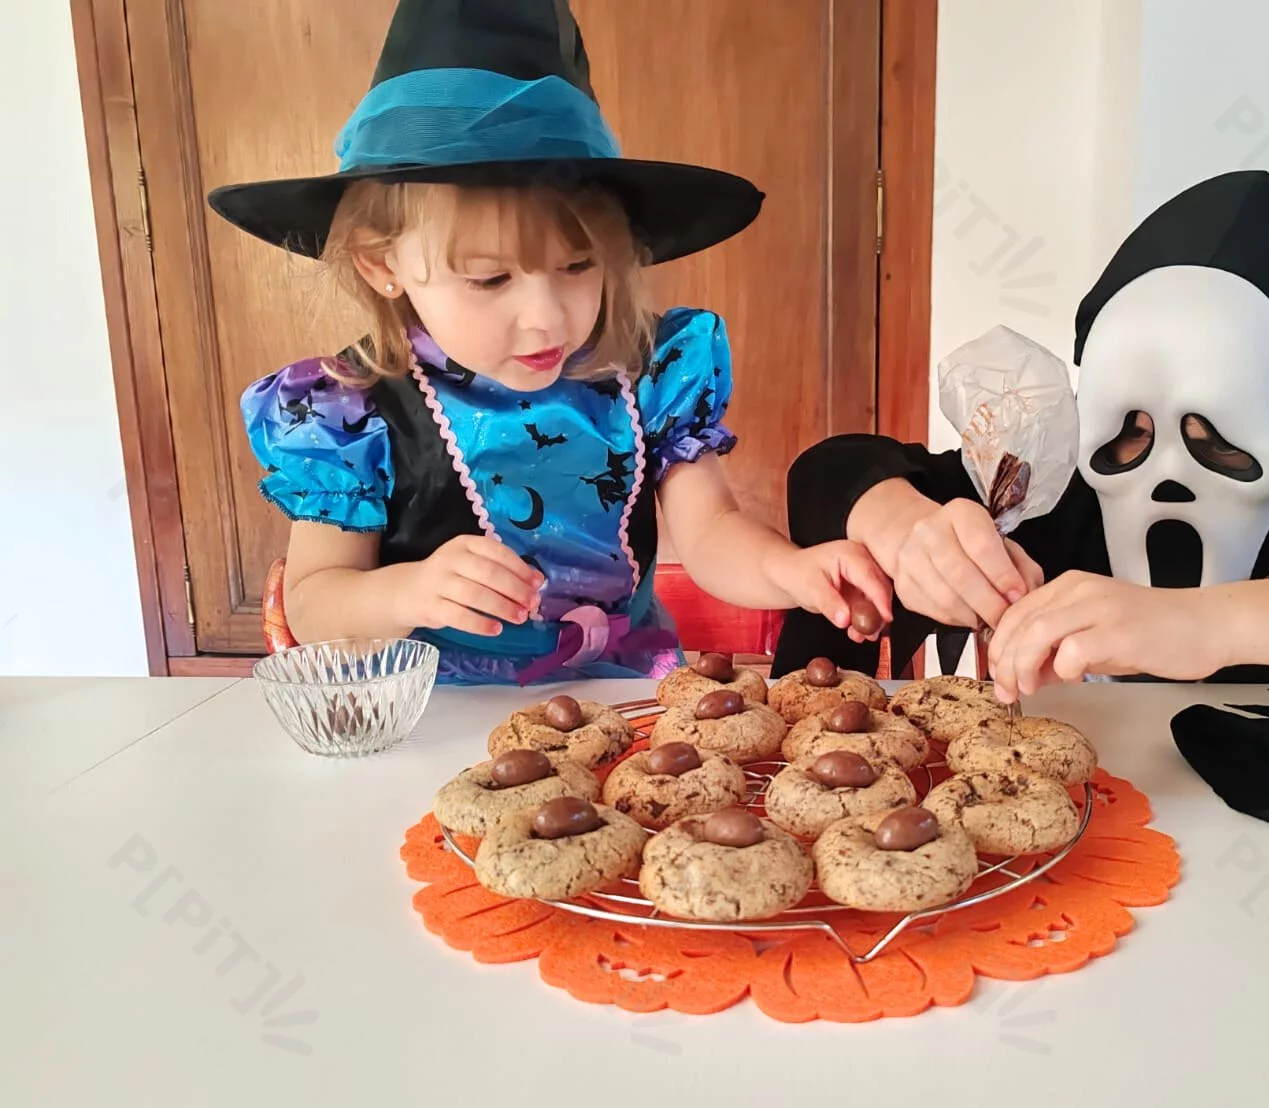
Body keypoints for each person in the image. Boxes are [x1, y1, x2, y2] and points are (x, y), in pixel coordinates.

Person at [773, 170, 1269, 829]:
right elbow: (833, 472)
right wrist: (904, 525)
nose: (1167, 473)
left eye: (1217, 438)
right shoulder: (1048, 498)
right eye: (1127, 432)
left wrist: (1207, 625)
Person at [208, 0, 890, 685]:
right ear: (382, 264)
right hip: (428, 721)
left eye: (577, 266)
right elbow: (315, 601)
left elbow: (711, 535)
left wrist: (791, 569)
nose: (546, 321)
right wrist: (406, 591)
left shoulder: (652, 372)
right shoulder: (349, 414)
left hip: (618, 708)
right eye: (490, 278)